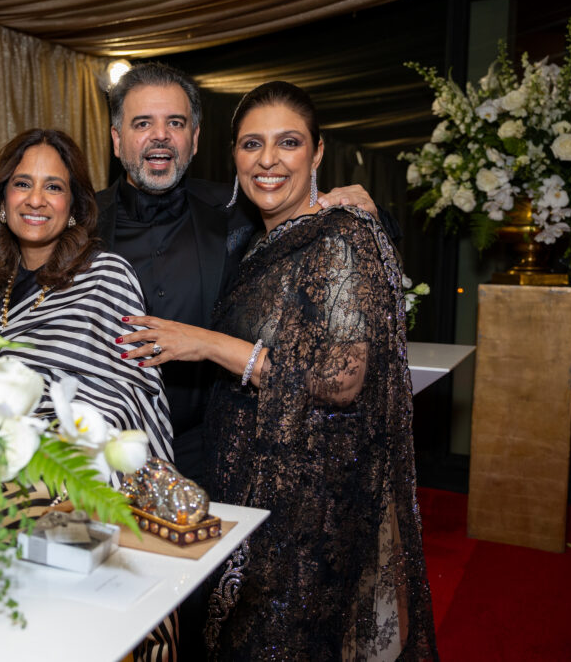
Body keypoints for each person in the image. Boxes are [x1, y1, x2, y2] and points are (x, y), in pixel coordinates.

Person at [119, 81, 437, 659]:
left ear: (317, 153)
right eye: (251, 145)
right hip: (222, 480)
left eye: (287, 143)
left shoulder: (331, 232)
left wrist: (209, 345)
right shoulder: (245, 228)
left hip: (304, 503)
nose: (267, 161)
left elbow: (344, 378)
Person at [97, 62, 391, 487]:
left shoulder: (239, 212)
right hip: (103, 456)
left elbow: (315, 225)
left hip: (210, 458)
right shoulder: (79, 222)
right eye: (143, 123)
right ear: (116, 138)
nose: (160, 135)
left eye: (175, 123)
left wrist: (369, 205)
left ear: (194, 139)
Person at [0, 128, 173, 464]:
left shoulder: (107, 276)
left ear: (72, 205)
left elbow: (129, 400)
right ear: (2, 199)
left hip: (79, 482)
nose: (35, 199)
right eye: (22, 184)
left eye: (53, 187)